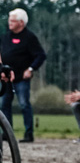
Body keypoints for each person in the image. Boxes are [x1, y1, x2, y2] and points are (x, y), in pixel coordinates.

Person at [0, 8, 47, 142]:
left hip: (22, 78)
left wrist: (31, 69)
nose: (10, 23)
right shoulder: (5, 37)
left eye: (13, 21)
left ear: (21, 23)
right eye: (9, 20)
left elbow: (41, 55)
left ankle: (28, 133)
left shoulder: (29, 38)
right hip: (6, 76)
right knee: (4, 104)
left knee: (24, 104)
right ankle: (7, 133)